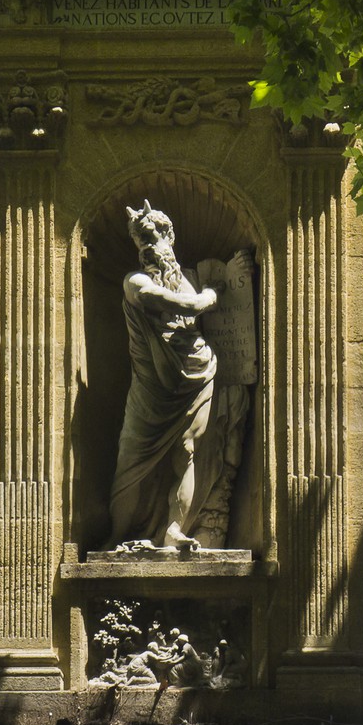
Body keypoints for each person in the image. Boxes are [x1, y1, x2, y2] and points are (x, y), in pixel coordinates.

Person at [108, 201, 249, 549]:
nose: (145, 246)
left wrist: (236, 275)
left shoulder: (187, 279)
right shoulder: (135, 281)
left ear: (168, 234)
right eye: (139, 240)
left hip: (198, 373)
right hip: (152, 388)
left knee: (189, 451)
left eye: (150, 236)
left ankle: (174, 528)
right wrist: (212, 293)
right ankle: (116, 536)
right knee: (131, 465)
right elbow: (192, 306)